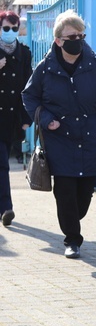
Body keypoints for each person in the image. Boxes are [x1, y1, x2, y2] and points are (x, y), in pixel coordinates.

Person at [22, 10, 96, 258]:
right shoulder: (45, 68)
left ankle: (72, 221)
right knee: (64, 192)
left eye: (80, 35)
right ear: (58, 40)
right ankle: (72, 240)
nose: (76, 40)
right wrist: (46, 120)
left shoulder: (94, 66)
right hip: (59, 140)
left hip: (90, 139)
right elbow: (29, 96)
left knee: (83, 196)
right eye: (71, 36)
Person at [0, 11, 33, 227]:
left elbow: (27, 87)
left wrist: (26, 116)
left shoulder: (24, 53)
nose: (10, 32)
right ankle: (6, 208)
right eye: (5, 28)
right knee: (3, 164)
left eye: (14, 28)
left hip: (11, 118)